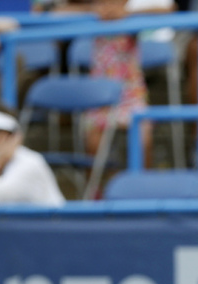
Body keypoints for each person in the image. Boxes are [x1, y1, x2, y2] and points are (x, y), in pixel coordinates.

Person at [32, 0, 176, 167]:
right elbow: (56, 14)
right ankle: (101, 182)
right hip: (98, 100)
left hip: (131, 97)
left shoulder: (131, 22)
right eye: (103, 2)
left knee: (143, 138)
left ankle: (142, 180)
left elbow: (168, 9)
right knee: (93, 142)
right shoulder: (93, 18)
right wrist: (91, 10)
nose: (109, 6)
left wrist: (128, 13)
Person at [0, 104, 65, 206]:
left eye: (0, 134)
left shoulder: (30, 162)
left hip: (53, 217)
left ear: (14, 137)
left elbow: (1, 194)